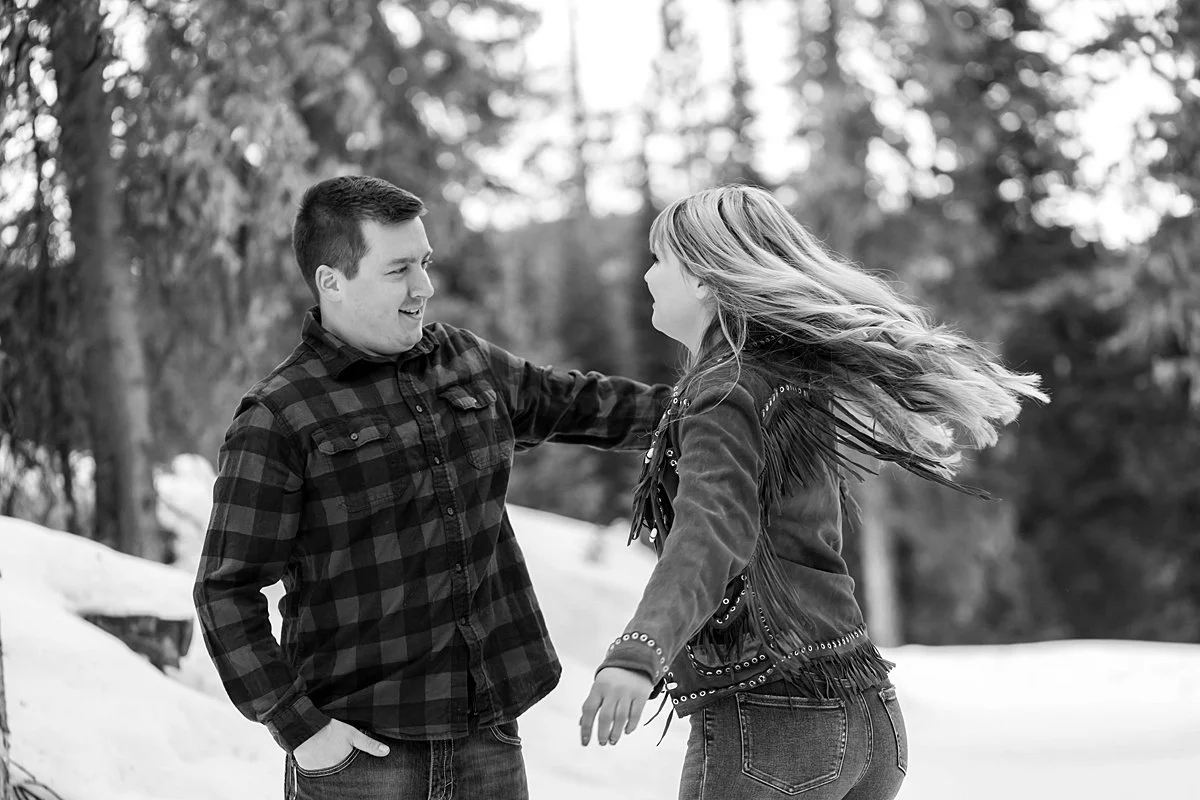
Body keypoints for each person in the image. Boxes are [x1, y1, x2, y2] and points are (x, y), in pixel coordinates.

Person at [194, 175, 671, 800]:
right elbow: (225, 591)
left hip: (488, 740)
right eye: (398, 271)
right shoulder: (279, 416)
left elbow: (582, 403)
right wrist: (301, 729)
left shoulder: (464, 360)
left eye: (424, 263)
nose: (425, 287)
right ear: (331, 281)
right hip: (360, 760)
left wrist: (712, 407)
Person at [579, 185, 1047, 799]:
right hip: (864, 711)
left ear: (699, 277)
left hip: (775, 720)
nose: (647, 276)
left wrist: (638, 651)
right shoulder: (786, 375)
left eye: (659, 259)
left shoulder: (722, 390)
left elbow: (710, 530)